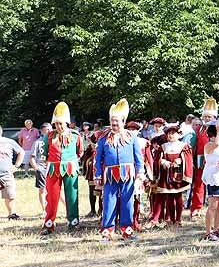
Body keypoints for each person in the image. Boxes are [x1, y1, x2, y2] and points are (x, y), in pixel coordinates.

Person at [95, 99, 145, 242]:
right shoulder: (103, 138)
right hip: (110, 175)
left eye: (117, 122)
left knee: (127, 202)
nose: (114, 124)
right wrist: (98, 174)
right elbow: (98, 159)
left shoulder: (132, 137)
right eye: (112, 121)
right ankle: (107, 232)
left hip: (128, 174)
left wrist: (140, 172)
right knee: (109, 202)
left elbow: (138, 156)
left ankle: (127, 231)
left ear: (123, 121)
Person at [41, 102, 84, 235]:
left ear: (66, 122)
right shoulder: (48, 136)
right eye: (56, 124)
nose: (59, 126)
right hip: (53, 169)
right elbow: (44, 154)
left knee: (72, 196)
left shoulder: (75, 136)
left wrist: (70, 161)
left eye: (61, 123)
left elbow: (80, 152)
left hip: (70, 168)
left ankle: (73, 222)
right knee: (52, 197)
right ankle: (49, 224)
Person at [190, 97, 219, 221]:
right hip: (202, 160)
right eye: (205, 117)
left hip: (216, 162)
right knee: (199, 186)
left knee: (215, 186)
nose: (207, 119)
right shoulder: (199, 129)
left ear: (214, 117)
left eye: (209, 117)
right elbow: (194, 145)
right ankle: (196, 209)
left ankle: (215, 207)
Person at [154, 124, 193, 228]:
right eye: (169, 133)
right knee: (169, 197)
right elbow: (157, 159)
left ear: (178, 134)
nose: (171, 135)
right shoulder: (163, 147)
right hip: (166, 175)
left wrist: (180, 160)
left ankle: (178, 220)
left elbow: (188, 159)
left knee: (178, 196)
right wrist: (162, 161)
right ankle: (171, 219)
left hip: (177, 175)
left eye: (173, 133)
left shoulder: (183, 146)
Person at [0, 124, 25, 220]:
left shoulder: (9, 142)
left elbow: (21, 152)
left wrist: (16, 165)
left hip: (6, 174)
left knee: (10, 195)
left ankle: (12, 214)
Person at [29, 123, 51, 214]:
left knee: (56, 189)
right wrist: (36, 168)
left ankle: (66, 207)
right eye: (47, 130)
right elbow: (32, 157)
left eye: (50, 129)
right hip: (41, 168)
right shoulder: (38, 142)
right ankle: (44, 209)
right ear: (42, 131)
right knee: (42, 189)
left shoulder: (54, 141)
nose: (50, 131)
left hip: (53, 167)